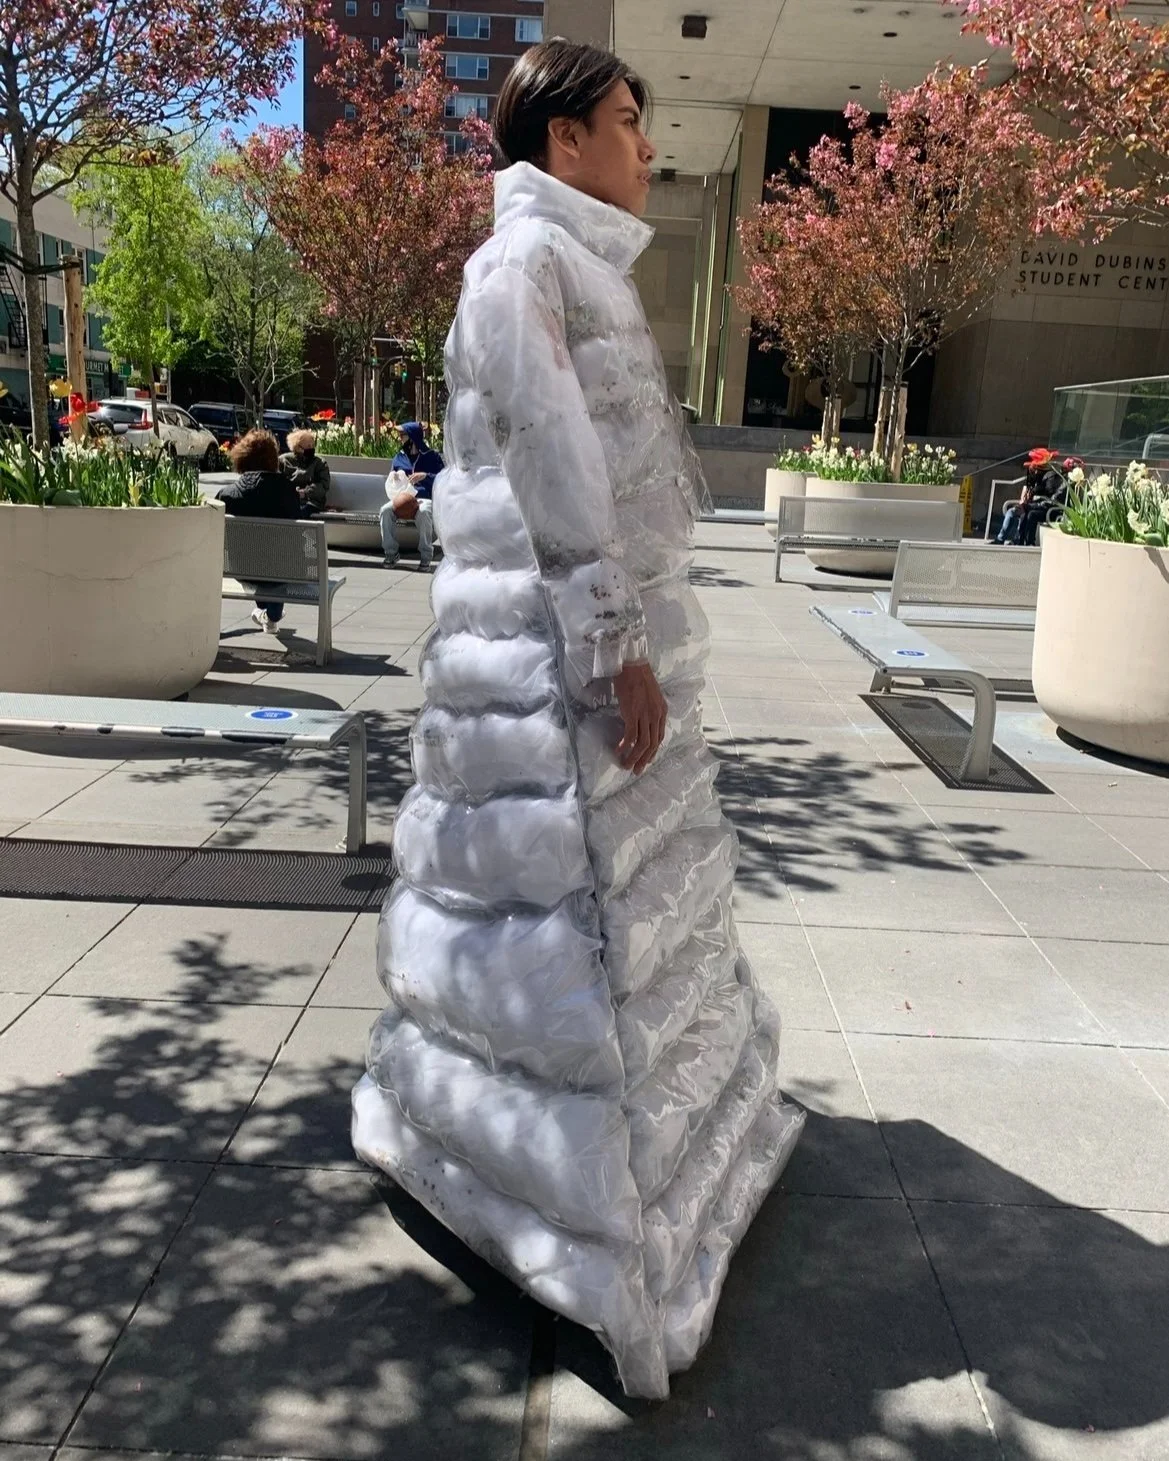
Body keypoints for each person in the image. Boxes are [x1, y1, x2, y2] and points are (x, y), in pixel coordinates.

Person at [351, 40, 804, 1399]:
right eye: (623, 120)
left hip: (586, 658)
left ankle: (625, 1196)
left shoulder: (578, 269)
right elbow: (553, 462)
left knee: (625, 917)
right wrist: (613, 652)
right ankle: (584, 1231)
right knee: (567, 915)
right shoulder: (521, 268)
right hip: (550, 675)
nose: (645, 146)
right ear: (560, 139)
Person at [217, 428, 299, 633]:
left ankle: (267, 614)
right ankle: (272, 615)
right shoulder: (288, 492)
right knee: (276, 560)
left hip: (241, 568)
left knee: (256, 558)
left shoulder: (226, 495)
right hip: (280, 571)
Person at [379, 421, 443, 570]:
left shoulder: (432, 456)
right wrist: (395, 478)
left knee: (424, 512)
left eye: (403, 435)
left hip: (423, 498)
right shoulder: (399, 457)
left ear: (413, 437)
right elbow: (392, 477)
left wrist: (425, 476)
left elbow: (443, 478)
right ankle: (391, 553)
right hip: (402, 497)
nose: (400, 439)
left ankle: (426, 556)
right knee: (385, 511)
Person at [279, 428, 331, 514]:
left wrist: (305, 493)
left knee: (300, 511)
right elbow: (277, 481)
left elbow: (323, 485)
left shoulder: (319, 463)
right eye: (308, 446)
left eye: (312, 445)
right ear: (297, 447)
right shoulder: (283, 460)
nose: (311, 449)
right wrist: (290, 492)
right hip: (288, 500)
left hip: (311, 502)